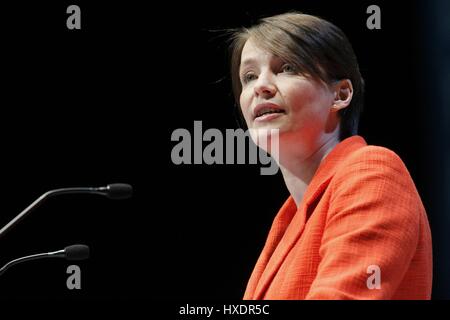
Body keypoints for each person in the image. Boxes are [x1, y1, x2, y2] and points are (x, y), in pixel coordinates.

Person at [228, 12, 432, 299]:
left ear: (340, 95)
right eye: (248, 77)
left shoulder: (372, 171)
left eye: (286, 67)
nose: (260, 86)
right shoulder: (287, 222)